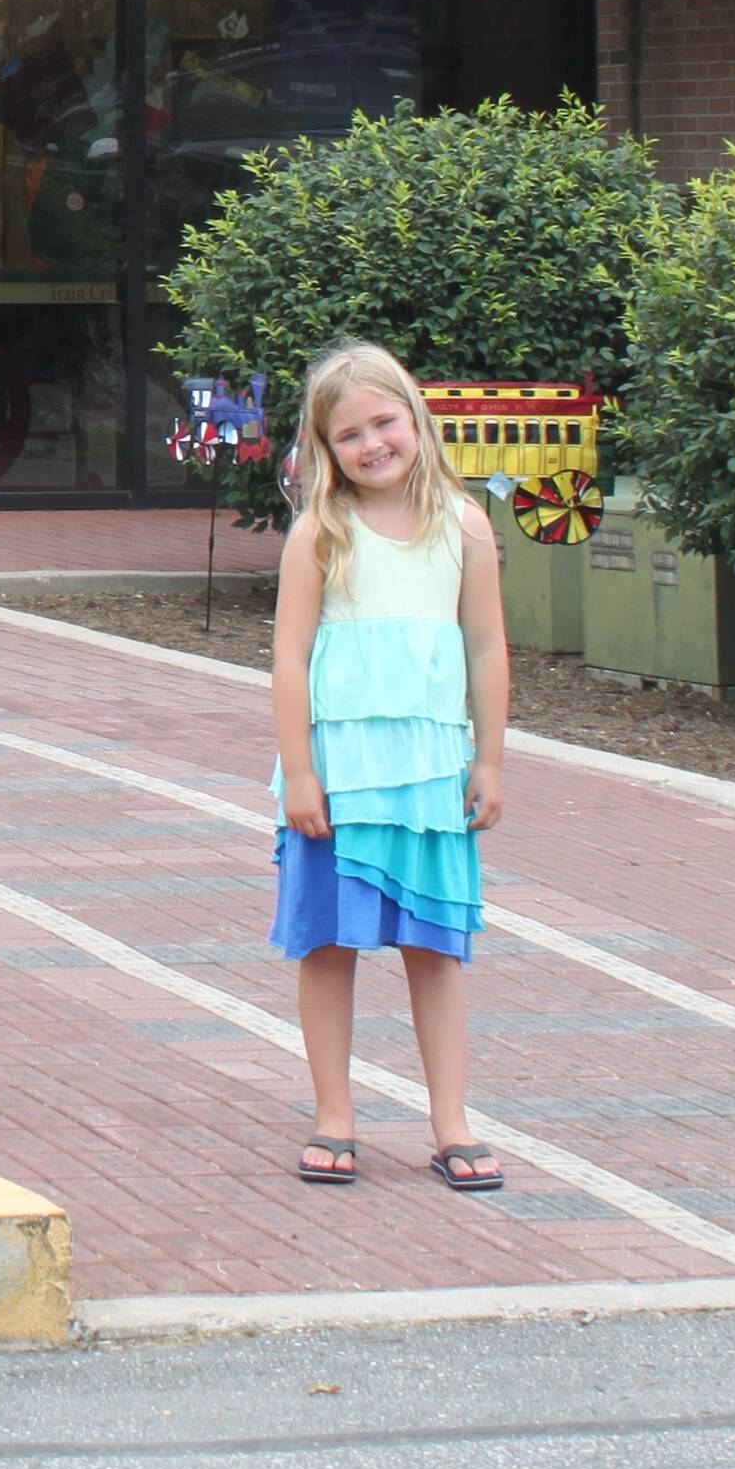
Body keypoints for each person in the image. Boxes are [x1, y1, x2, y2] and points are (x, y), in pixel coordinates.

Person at [268, 340, 508, 1191]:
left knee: (434, 953)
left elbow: (486, 647)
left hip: (432, 777)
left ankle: (452, 1123)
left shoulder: (465, 525)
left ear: (415, 417)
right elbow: (290, 658)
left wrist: (490, 759)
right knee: (328, 946)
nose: (373, 444)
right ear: (324, 449)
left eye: (384, 422)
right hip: (339, 775)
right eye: (349, 435)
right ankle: (334, 1115)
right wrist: (300, 773)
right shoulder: (318, 534)